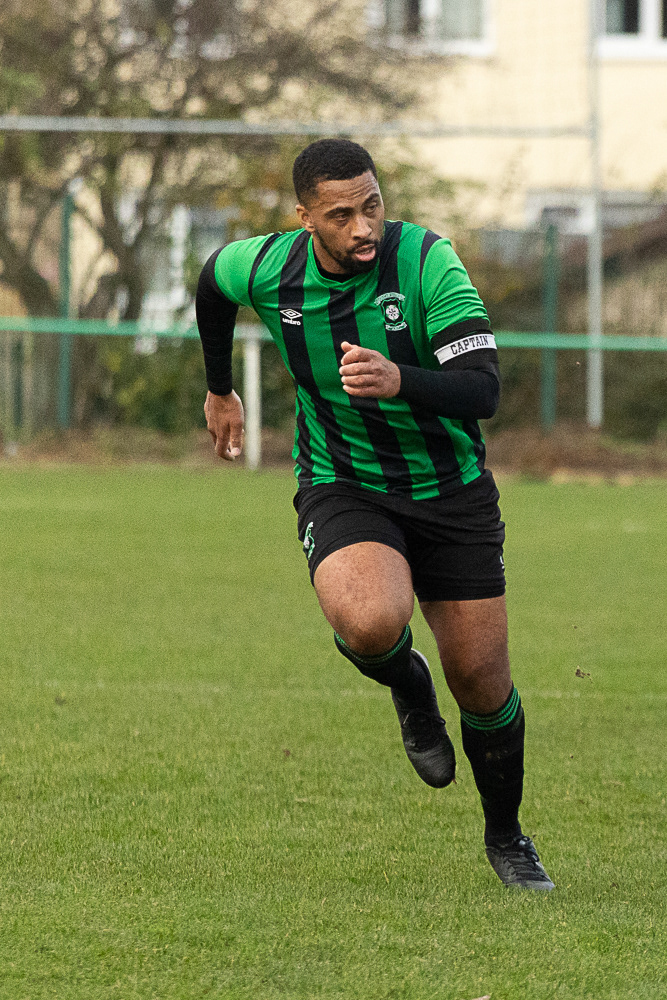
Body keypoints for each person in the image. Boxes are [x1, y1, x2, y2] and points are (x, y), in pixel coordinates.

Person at [195, 138, 554, 890]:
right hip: (343, 481)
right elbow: (211, 281)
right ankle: (407, 685)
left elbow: (484, 389)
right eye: (340, 215)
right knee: (368, 621)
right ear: (304, 219)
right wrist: (220, 387)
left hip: (450, 489)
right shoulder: (270, 267)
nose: (363, 227)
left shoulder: (426, 262)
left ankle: (507, 837)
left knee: (481, 682)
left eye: (372, 206)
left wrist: (400, 379)